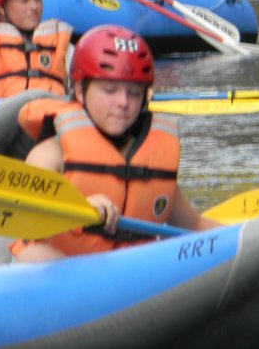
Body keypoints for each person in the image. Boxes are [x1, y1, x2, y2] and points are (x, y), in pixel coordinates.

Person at [12, 25, 219, 262]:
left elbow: (193, 225)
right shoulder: (50, 154)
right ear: (80, 91)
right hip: (61, 275)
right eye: (110, 90)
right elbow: (23, 218)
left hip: (134, 278)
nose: (123, 102)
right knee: (35, 254)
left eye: (133, 93)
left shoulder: (151, 157)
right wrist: (76, 208)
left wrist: (252, 232)